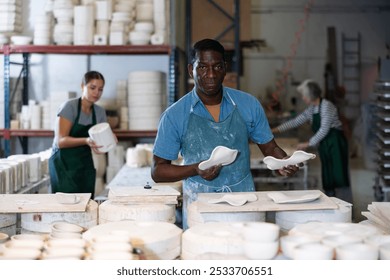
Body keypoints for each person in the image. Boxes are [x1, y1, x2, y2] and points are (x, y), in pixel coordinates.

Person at [151, 38, 300, 229]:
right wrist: (196, 169)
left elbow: (269, 147)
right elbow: (158, 171)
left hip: (244, 202)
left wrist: (283, 163)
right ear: (191, 70)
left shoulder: (248, 104)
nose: (211, 74)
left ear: (225, 68)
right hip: (200, 206)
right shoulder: (174, 115)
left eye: (217, 67)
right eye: (202, 67)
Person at [272, 79, 351, 201]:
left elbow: (324, 129)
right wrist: (275, 130)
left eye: (304, 95)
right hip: (325, 144)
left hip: (335, 142)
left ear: (311, 95)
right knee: (328, 173)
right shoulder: (312, 109)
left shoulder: (327, 106)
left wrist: (308, 144)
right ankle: (331, 201)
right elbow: (296, 121)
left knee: (339, 174)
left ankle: (345, 203)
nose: (303, 98)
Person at [49, 70, 107, 198]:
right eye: (92, 88)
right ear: (82, 86)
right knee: (65, 204)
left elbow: (100, 143)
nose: (96, 93)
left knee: (85, 203)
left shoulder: (99, 112)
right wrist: (86, 141)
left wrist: (108, 141)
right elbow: (60, 141)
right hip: (64, 164)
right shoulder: (70, 107)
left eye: (100, 89)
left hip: (84, 163)